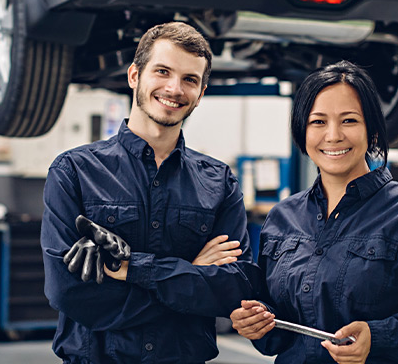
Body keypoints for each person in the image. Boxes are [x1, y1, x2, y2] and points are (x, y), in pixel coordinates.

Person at [41, 22, 260, 363]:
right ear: (134, 76)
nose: (174, 88)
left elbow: (233, 289)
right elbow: (69, 292)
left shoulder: (219, 183)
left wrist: (132, 269)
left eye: (190, 79)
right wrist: (190, 271)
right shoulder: (75, 172)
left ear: (201, 93)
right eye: (162, 71)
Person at [230, 60, 398, 364]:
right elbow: (276, 333)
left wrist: (378, 337)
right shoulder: (282, 217)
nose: (333, 135)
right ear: (303, 133)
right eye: (318, 122)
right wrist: (257, 323)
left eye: (349, 121)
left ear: (373, 132)